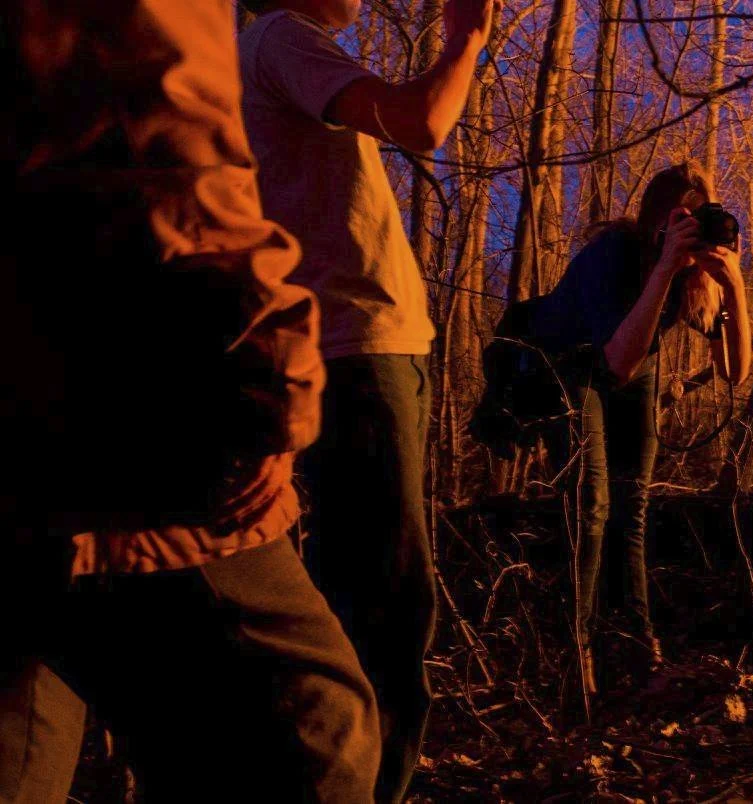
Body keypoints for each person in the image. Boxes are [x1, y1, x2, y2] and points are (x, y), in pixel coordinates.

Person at [1, 1, 381, 801]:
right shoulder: (280, 40)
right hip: (123, 398)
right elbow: (163, 140)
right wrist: (269, 382)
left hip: (49, 383)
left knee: (26, 739)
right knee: (311, 742)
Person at [237, 0, 496, 798]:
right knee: (383, 609)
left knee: (361, 596)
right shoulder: (281, 36)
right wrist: (467, 39)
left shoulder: (275, 47)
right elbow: (422, 122)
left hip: (364, 353)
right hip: (356, 355)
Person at [535, 163, 752, 697]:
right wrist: (664, 267)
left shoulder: (694, 277)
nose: (692, 231)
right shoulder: (614, 252)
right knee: (591, 507)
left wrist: (734, 287)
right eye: (681, 220)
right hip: (569, 364)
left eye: (701, 220)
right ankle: (575, 659)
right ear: (657, 219)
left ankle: (637, 651)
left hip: (633, 359)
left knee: (630, 509)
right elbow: (615, 365)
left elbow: (733, 371)